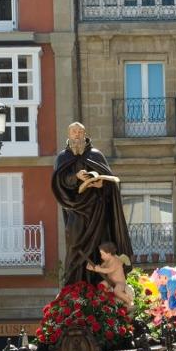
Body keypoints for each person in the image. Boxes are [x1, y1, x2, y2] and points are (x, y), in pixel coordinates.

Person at [53, 122, 134, 287]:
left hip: (98, 210)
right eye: (73, 132)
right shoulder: (62, 157)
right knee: (74, 245)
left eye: (80, 132)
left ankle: (99, 288)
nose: (77, 135)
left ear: (84, 134)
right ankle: (74, 288)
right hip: (76, 210)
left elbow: (110, 185)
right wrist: (75, 177)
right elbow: (58, 183)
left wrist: (100, 184)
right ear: (68, 135)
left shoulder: (96, 155)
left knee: (100, 247)